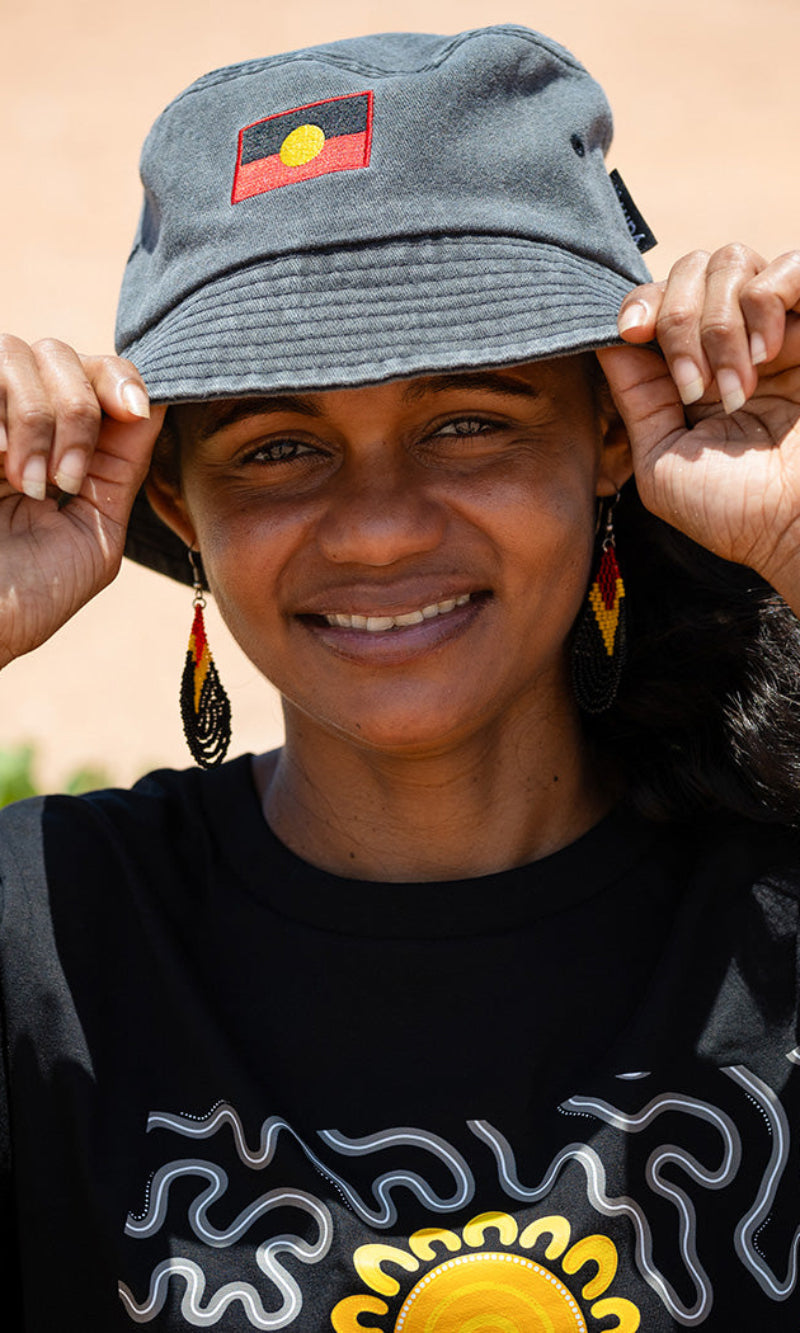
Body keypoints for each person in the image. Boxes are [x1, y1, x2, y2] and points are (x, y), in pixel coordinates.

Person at [0, 22, 798, 1331]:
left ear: (611, 437)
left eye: (469, 418)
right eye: (274, 446)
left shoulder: (775, 920)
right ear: (180, 505)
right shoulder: (50, 940)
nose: (377, 524)